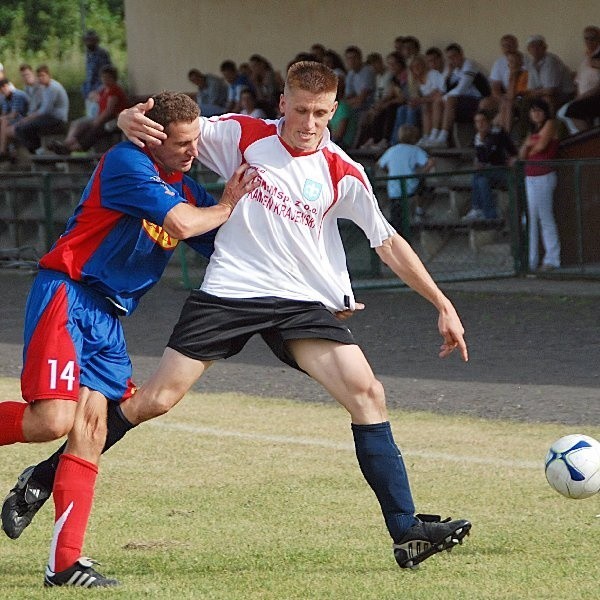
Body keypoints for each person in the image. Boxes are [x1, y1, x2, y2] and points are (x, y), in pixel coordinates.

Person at [4, 61, 472, 576]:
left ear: (334, 111)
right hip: (223, 294)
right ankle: (47, 477)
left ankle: (405, 530)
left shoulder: (344, 171)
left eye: (320, 113)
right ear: (282, 106)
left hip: (295, 304)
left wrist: (440, 303)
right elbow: (172, 133)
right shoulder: (239, 135)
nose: (309, 122)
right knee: (151, 401)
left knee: (368, 391)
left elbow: (387, 242)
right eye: (299, 110)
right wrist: (124, 120)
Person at [0, 91, 256, 587]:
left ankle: (64, 565)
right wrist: (227, 201)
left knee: (91, 431)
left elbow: (228, 241)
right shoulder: (125, 162)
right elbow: (184, 223)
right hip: (69, 296)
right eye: (182, 143)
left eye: (195, 142)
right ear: (153, 137)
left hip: (108, 317)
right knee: (52, 419)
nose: (191, 151)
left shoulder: (183, 184)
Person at [518, 99, 561, 272]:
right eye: (533, 111)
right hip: (530, 176)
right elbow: (522, 154)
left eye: (539, 111)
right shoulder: (532, 130)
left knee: (545, 218)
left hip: (544, 176)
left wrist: (531, 147)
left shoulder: (551, 124)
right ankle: (531, 260)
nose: (536, 114)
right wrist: (529, 146)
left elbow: (541, 146)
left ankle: (553, 258)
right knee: (530, 219)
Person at [47, 65, 128, 155]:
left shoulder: (114, 90)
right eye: (103, 77)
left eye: (107, 77)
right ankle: (66, 144)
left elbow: (109, 111)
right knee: (79, 124)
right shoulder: (104, 90)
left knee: (94, 130)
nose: (104, 80)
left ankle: (71, 148)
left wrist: (98, 121)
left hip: (113, 120)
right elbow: (93, 95)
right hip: (101, 117)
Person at [428, 44, 491, 148]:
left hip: (480, 99)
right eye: (449, 58)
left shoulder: (470, 65)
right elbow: (445, 89)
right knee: (437, 101)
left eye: (454, 56)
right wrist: (449, 73)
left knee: (450, 99)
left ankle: (443, 138)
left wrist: (445, 98)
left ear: (461, 54)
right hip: (464, 101)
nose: (452, 60)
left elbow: (461, 88)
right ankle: (433, 136)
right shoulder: (455, 70)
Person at [461, 110, 517, 222]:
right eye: (477, 122)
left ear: (489, 122)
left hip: (504, 170)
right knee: (481, 180)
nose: (480, 124)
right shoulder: (478, 137)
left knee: (479, 174)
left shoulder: (497, 133)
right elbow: (481, 160)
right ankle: (489, 214)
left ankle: (478, 209)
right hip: (489, 172)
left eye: (483, 121)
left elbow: (493, 154)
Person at [378, 124, 434, 228]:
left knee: (396, 217)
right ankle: (419, 210)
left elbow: (380, 164)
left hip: (394, 187)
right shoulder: (415, 150)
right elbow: (430, 162)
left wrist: (389, 172)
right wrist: (422, 172)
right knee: (421, 183)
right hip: (410, 184)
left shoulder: (392, 150)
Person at [13, 65, 69, 153]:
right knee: (19, 128)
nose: (40, 78)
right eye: (39, 76)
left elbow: (45, 110)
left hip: (57, 119)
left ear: (48, 75)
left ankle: (37, 150)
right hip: (49, 117)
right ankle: (36, 150)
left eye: (43, 76)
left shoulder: (53, 88)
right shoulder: (45, 87)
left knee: (24, 127)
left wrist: (27, 119)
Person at [558, 26, 600, 133]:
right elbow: (578, 82)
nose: (589, 41)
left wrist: (582, 97)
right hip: (583, 97)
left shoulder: (596, 57)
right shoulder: (586, 58)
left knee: (569, 111)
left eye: (593, 38)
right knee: (562, 113)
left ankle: (586, 139)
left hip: (594, 96)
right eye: (586, 38)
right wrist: (577, 97)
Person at [524, 35, 575, 113]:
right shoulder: (531, 63)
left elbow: (551, 90)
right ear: (528, 50)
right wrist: (537, 92)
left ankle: (551, 123)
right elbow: (530, 89)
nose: (535, 49)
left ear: (545, 47)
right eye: (532, 46)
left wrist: (536, 92)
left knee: (547, 99)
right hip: (544, 94)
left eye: (539, 46)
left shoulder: (551, 61)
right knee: (523, 101)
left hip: (565, 95)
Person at [81, 30, 112, 117]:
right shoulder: (88, 54)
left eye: (91, 40)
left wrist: (98, 91)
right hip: (89, 92)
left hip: (99, 92)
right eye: (87, 40)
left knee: (95, 117)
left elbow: (106, 74)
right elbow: (89, 76)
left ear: (96, 41)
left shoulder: (102, 54)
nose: (88, 43)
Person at [0, 77, 29, 158]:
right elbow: (4, 113)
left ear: (7, 86)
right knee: (4, 122)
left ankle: (2, 151)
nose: (2, 91)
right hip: (15, 120)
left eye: (4, 88)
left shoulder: (17, 95)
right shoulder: (5, 97)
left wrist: (3, 118)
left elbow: (14, 114)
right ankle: (9, 151)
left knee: (4, 122)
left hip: (25, 118)